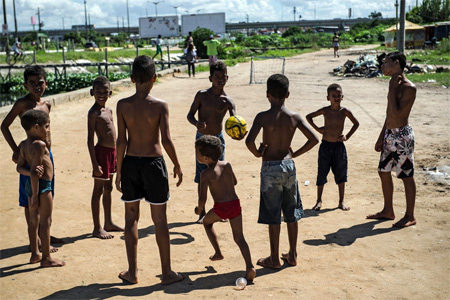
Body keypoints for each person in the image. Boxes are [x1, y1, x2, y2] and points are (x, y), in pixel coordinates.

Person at [115, 55, 184, 285]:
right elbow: (166, 139)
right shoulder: (160, 105)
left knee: (131, 219)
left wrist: (118, 170)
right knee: (160, 220)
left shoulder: (122, 105)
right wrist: (177, 164)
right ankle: (166, 273)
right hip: (154, 164)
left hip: (131, 163)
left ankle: (132, 272)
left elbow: (121, 142)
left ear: (132, 78)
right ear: (154, 77)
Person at [245, 74, 319, 269]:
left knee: (273, 214)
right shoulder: (294, 117)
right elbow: (314, 139)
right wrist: (295, 153)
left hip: (270, 167)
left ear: (267, 94)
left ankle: (274, 258)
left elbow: (249, 141)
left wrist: (258, 153)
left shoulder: (262, 117)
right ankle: (293, 254)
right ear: (288, 94)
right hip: (288, 166)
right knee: (291, 211)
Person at [1, 65, 64, 251]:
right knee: (31, 198)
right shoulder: (22, 104)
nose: (37, 86)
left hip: (46, 155)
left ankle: (44, 233)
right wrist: (16, 150)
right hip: (30, 157)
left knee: (47, 194)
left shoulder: (47, 104)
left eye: (40, 82)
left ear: (46, 83)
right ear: (25, 85)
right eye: (32, 83)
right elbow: (4, 126)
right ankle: (35, 240)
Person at [194, 135, 256, 281]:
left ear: (206, 158)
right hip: (235, 204)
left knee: (206, 222)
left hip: (221, 208)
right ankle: (250, 267)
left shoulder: (205, 174)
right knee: (240, 238)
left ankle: (218, 252)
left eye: (198, 153)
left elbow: (203, 198)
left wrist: (199, 210)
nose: (196, 155)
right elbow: (234, 182)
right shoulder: (227, 165)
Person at [367, 51, 417, 228]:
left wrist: (392, 90)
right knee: (383, 171)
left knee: (406, 176)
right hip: (389, 135)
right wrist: (381, 136)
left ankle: (410, 216)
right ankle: (388, 210)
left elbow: (397, 114)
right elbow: (390, 115)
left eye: (385, 62)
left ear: (396, 63)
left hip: (402, 137)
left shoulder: (409, 88)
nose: (382, 66)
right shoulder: (394, 85)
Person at [187, 61, 237, 223]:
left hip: (218, 141)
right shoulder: (201, 95)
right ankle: (201, 212)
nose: (220, 79)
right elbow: (190, 115)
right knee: (202, 175)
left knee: (218, 175)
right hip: (201, 140)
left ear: (227, 78)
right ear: (210, 78)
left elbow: (235, 122)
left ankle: (219, 211)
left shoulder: (228, 101)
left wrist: (238, 133)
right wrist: (196, 123)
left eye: (223, 77)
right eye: (217, 77)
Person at [16, 110, 65, 267]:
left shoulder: (23, 145)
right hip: (42, 187)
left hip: (30, 185)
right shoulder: (39, 145)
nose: (49, 130)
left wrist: (30, 174)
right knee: (46, 221)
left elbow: (19, 168)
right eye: (47, 126)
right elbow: (35, 174)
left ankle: (35, 254)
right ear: (36, 127)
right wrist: (36, 195)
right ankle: (46, 258)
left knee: (33, 220)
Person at [306, 83, 359, 211]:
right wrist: (318, 129)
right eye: (333, 96)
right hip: (325, 147)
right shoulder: (325, 111)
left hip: (339, 147)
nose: (336, 98)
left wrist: (347, 136)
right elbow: (309, 117)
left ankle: (341, 201)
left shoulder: (344, 112)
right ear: (328, 97)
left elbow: (356, 124)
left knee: (341, 174)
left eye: (338, 95)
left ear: (342, 97)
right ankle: (318, 201)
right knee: (322, 173)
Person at [87, 76, 124, 239]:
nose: (101, 95)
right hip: (101, 153)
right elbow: (89, 139)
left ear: (110, 92)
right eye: (98, 92)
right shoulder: (93, 113)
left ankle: (108, 222)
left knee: (108, 188)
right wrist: (95, 164)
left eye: (104, 92)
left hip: (112, 153)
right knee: (98, 190)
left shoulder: (109, 110)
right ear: (92, 93)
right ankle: (97, 227)